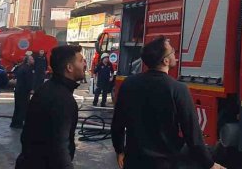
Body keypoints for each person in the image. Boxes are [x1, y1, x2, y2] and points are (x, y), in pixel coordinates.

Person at [112, 36, 224, 169]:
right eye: (172, 52)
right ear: (165, 61)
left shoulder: (128, 84)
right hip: (165, 163)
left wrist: (119, 150)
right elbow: (192, 134)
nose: (175, 54)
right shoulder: (178, 89)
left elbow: (117, 123)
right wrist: (209, 164)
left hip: (134, 161)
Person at [15, 45, 85, 169]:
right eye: (80, 61)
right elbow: (60, 146)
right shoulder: (63, 100)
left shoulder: (46, 89)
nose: (84, 64)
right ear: (69, 67)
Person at [11, 55, 34, 128]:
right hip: (23, 91)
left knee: (17, 107)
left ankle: (14, 123)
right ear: (28, 60)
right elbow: (28, 81)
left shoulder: (21, 67)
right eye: (32, 59)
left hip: (18, 90)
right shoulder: (28, 69)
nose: (33, 60)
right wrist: (31, 89)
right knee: (22, 107)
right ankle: (19, 123)